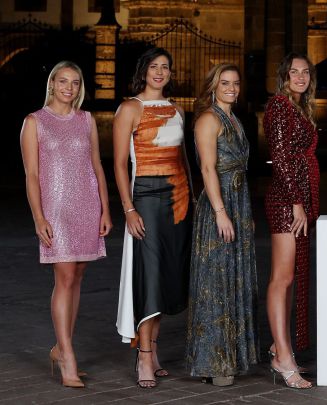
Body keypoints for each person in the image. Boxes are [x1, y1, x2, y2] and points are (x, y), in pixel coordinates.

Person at [20, 61, 111, 388]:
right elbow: (31, 174)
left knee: (78, 276)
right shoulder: (35, 122)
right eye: (63, 81)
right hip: (55, 208)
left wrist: (105, 209)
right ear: (52, 84)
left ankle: (60, 347)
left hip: (87, 204)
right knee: (66, 275)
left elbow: (98, 165)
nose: (69, 87)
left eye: (74, 82)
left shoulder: (86, 120)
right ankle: (69, 356)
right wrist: (38, 216)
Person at [114, 47, 192, 388]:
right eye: (154, 66)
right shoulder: (130, 108)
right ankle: (143, 356)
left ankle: (153, 350)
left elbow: (184, 159)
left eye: (165, 67)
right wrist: (128, 209)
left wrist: (194, 196)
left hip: (179, 199)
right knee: (149, 273)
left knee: (168, 275)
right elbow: (118, 164)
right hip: (144, 198)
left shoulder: (178, 110)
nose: (159, 72)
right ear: (143, 70)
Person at [185, 64, 259, 386]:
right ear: (213, 86)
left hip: (237, 205)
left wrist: (244, 214)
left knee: (234, 280)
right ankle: (213, 362)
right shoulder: (208, 119)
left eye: (235, 83)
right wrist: (220, 211)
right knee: (215, 283)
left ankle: (231, 356)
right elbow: (206, 167)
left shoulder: (236, 120)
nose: (231, 88)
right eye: (224, 83)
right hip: (219, 204)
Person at [263, 52, 319, 389]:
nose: (300, 76)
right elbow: (279, 157)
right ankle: (283, 357)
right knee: (282, 278)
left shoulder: (299, 107)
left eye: (305, 72)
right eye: (294, 72)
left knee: (289, 275)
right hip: (286, 201)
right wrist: (296, 201)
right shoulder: (279, 106)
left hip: (298, 198)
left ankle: (278, 344)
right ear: (284, 75)